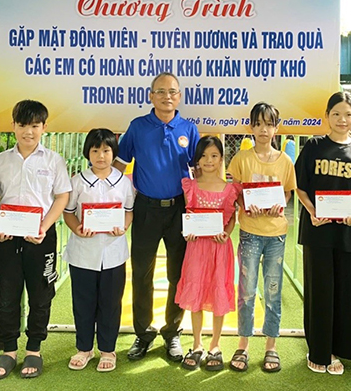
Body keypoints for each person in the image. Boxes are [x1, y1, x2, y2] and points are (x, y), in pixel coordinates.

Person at [115, 72, 200, 362]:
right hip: (145, 209)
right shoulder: (137, 127)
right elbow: (119, 163)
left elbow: (200, 170)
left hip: (179, 210)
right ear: (151, 96)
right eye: (161, 91)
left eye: (172, 92)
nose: (167, 96)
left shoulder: (188, 128)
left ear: (180, 96)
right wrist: (104, 194)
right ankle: (143, 333)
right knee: (141, 274)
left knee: (178, 274)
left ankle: (172, 332)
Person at [0, 100, 71, 379]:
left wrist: (45, 227)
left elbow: (62, 197)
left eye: (35, 125)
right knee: (6, 294)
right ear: (13, 126)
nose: (28, 131)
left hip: (41, 238)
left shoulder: (54, 161)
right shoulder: (0, 161)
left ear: (44, 127)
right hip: (7, 237)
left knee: (41, 293)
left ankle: (34, 349)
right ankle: (9, 350)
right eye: (22, 125)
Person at [294, 92, 351, 375]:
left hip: (348, 233)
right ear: (327, 116)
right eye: (337, 114)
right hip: (318, 232)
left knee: (346, 291)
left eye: (349, 114)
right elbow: (300, 186)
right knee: (320, 291)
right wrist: (312, 211)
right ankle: (319, 351)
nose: (343, 120)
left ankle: (340, 348)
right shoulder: (315, 145)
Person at [226, 102, 297, 373]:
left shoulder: (285, 161)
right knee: (245, 291)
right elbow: (235, 190)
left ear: (276, 128)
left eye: (269, 124)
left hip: (276, 235)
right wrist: (246, 201)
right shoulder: (242, 160)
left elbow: (288, 193)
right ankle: (243, 344)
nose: (264, 129)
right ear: (251, 127)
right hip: (250, 234)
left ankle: (271, 346)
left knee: (273, 292)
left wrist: (280, 204)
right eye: (258, 124)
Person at [63, 128, 135, 372]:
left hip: (113, 254)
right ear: (88, 153)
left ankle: (108, 349)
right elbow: (69, 212)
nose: (101, 156)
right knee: (83, 302)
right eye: (95, 150)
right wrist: (77, 229)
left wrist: (123, 228)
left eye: (106, 150)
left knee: (110, 303)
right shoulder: (77, 181)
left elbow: (128, 210)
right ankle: (84, 348)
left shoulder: (124, 182)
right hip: (83, 253)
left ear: (113, 152)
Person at [175, 136, 241, 371]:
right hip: (196, 249)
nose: (208, 160)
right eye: (203, 156)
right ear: (197, 160)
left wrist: (226, 232)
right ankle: (196, 343)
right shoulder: (189, 186)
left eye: (214, 155)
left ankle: (215, 344)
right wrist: (188, 232)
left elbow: (231, 217)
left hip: (219, 248)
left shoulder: (230, 188)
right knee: (196, 292)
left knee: (217, 292)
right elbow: (189, 215)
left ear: (222, 158)